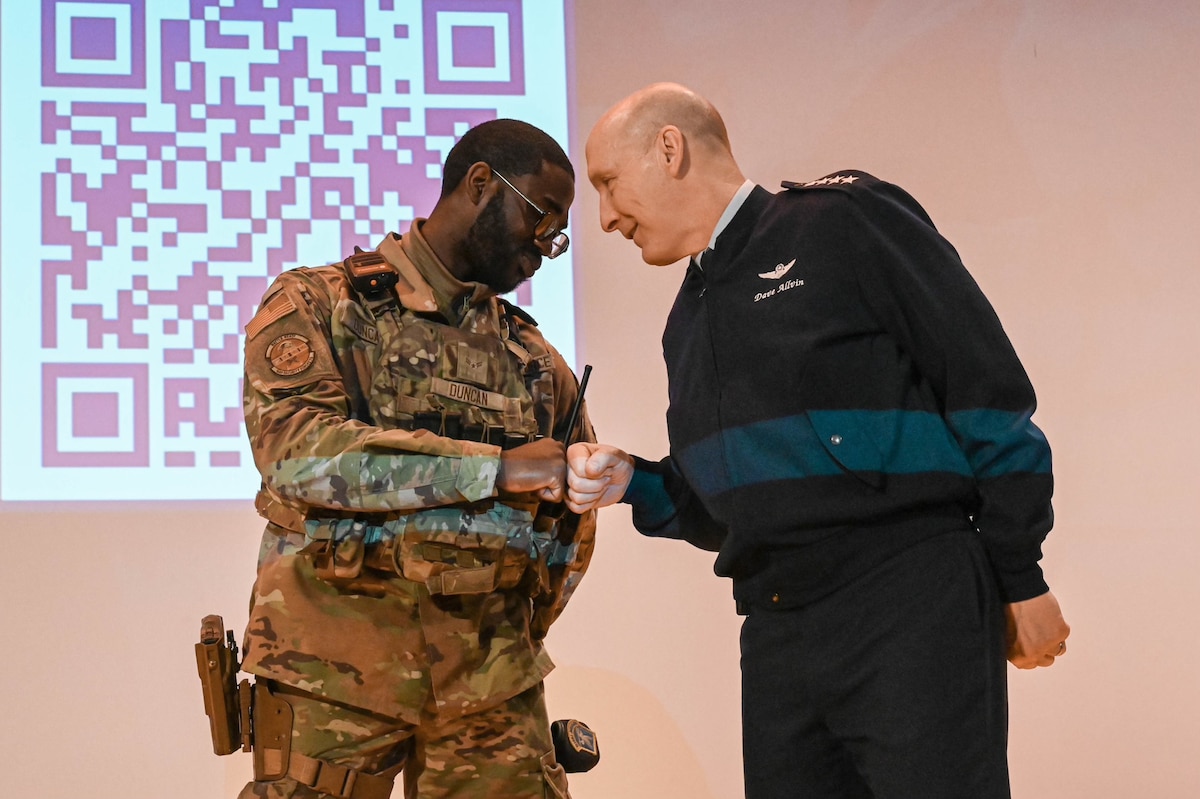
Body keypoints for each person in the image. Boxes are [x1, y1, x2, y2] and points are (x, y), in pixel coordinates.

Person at [567, 82, 1070, 798]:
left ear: (669, 149)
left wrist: (1021, 575)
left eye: (610, 184)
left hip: (906, 601)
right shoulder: (686, 320)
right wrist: (634, 480)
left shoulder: (842, 222)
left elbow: (985, 389)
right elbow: (725, 508)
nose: (607, 217)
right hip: (775, 634)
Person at [236, 118, 594, 799]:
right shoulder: (319, 304)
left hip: (490, 685)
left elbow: (574, 528)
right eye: (541, 216)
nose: (549, 245)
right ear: (480, 185)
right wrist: (492, 467)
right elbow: (296, 452)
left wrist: (507, 624)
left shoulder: (534, 360)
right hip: (334, 673)